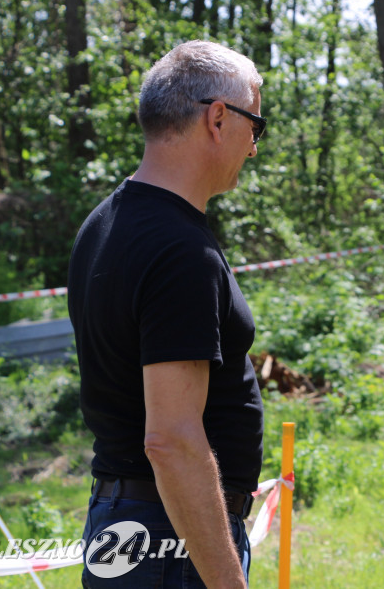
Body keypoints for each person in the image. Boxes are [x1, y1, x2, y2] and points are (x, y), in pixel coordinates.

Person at [67, 40, 266, 587]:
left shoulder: (104, 222)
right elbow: (171, 439)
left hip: (128, 521)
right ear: (218, 118)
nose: (254, 147)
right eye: (257, 124)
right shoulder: (180, 249)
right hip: (171, 539)